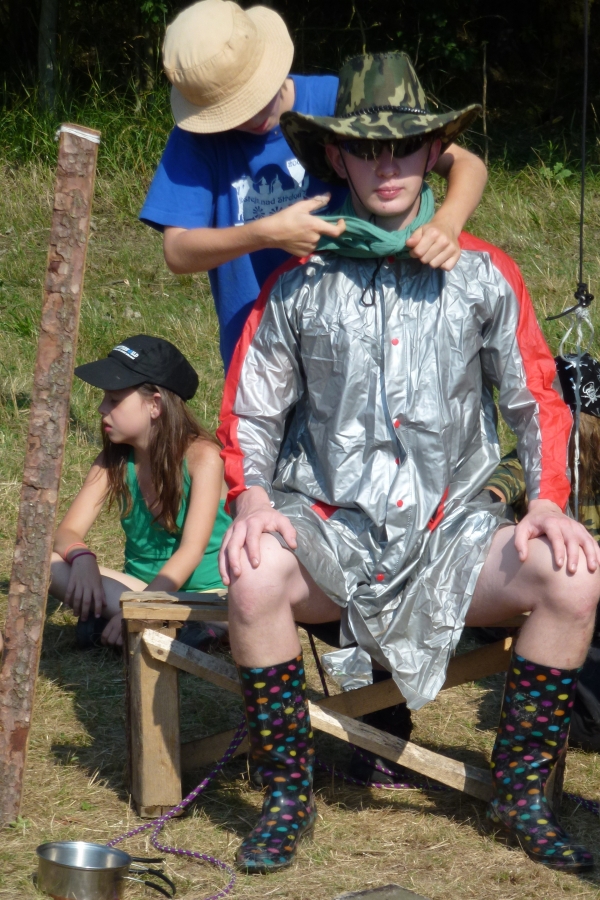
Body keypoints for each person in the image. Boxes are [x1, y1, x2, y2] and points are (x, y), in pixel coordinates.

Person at [217, 52, 600, 874]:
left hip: (454, 537)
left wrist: (548, 502)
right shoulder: (298, 284)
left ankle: (523, 796)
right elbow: (250, 412)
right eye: (367, 150)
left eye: (404, 147)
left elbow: (537, 399)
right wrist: (251, 500)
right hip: (332, 535)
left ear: (434, 152)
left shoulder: (483, 274)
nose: (386, 167)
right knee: (252, 574)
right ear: (337, 157)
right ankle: (286, 797)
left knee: (573, 576)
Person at [140, 0, 489, 370]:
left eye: (255, 96)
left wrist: (447, 223)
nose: (253, 114)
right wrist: (264, 234)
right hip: (261, 353)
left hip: (358, 342)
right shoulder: (197, 140)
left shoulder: (339, 102)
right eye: (231, 110)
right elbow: (178, 252)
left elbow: (467, 164)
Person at [50, 335, 230, 647]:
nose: (101, 408)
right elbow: (66, 531)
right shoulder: (114, 460)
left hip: (206, 596)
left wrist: (141, 608)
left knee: (226, 610)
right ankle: (161, 629)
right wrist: (81, 557)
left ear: (154, 405)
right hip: (137, 589)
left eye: (114, 400)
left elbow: (191, 551)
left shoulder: (203, 458)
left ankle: (165, 625)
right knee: (48, 566)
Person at [487, 352, 600, 752]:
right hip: (553, 591)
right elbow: (499, 484)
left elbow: (498, 486)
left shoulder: (559, 457)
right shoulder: (538, 460)